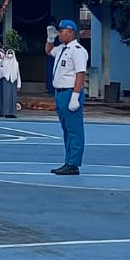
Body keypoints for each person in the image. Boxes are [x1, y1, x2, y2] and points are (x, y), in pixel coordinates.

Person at [47, 20, 88, 175]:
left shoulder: (77, 50)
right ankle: (68, 161)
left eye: (61, 31)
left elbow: (80, 74)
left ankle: (73, 163)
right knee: (66, 129)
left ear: (71, 32)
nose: (59, 33)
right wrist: (50, 39)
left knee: (74, 130)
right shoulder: (62, 49)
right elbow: (48, 51)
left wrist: (75, 96)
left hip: (70, 92)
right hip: (60, 93)